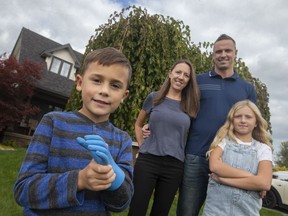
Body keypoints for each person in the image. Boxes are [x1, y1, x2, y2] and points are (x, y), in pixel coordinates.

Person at [143, 34, 258, 215]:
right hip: (195, 156)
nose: (223, 54)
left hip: (230, 159)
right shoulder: (198, 82)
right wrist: (153, 125)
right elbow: (173, 103)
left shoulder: (247, 88)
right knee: (187, 211)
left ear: (236, 53)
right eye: (218, 51)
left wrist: (260, 168)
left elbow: (254, 126)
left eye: (228, 50)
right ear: (212, 55)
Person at [13, 47, 134, 215]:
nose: (104, 91)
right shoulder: (53, 123)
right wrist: (79, 180)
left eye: (115, 85)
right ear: (79, 82)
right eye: (97, 80)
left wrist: (114, 176)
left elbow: (121, 204)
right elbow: (23, 190)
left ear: (123, 96)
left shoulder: (123, 140)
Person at [128, 60, 200, 216]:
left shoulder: (191, 106)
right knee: (136, 210)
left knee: (161, 212)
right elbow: (139, 125)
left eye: (186, 75)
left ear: (189, 80)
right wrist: (142, 145)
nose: (181, 77)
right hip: (148, 162)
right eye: (178, 72)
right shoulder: (154, 98)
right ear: (170, 73)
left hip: (174, 167)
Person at [202, 100, 273, 216]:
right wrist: (252, 177)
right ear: (232, 121)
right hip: (215, 211)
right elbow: (215, 166)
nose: (243, 120)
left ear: (256, 122)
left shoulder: (263, 149)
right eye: (238, 116)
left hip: (247, 211)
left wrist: (222, 180)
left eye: (248, 117)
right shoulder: (222, 142)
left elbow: (264, 183)